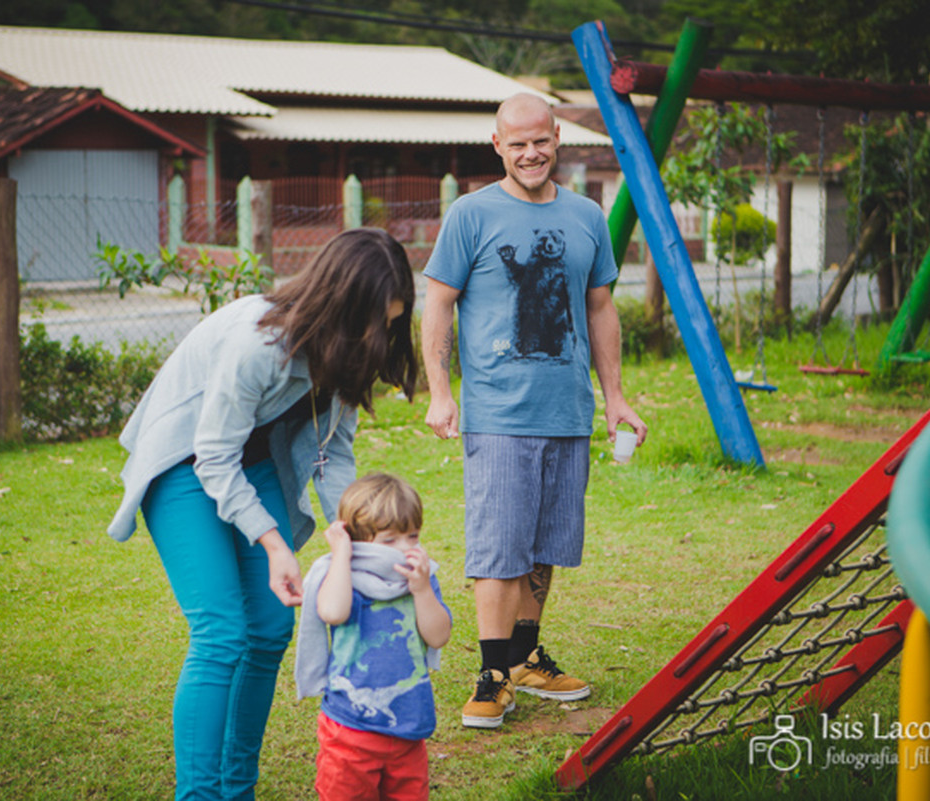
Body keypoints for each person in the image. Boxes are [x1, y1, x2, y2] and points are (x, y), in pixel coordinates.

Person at [107, 228, 418, 800]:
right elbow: (213, 455)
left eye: (394, 323)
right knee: (222, 632)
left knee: (271, 628)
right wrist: (275, 544)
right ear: (343, 302)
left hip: (249, 463)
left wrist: (358, 542)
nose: (385, 336)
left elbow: (334, 453)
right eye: (380, 321)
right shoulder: (258, 342)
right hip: (187, 462)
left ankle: (236, 789)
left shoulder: (349, 349)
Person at [420, 92, 648, 729]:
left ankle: (524, 656)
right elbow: (437, 304)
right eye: (515, 143)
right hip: (498, 411)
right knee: (499, 547)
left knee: (546, 545)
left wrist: (616, 398)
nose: (529, 153)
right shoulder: (471, 215)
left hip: (567, 410)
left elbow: (600, 309)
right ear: (498, 146)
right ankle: (492, 675)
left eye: (539, 141)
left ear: (557, 139)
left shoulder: (586, 217)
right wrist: (442, 390)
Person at [294, 472, 451, 801]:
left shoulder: (420, 579)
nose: (405, 549)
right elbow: (333, 612)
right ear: (359, 541)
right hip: (350, 729)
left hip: (409, 725)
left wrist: (422, 590)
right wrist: (341, 555)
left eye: (413, 536)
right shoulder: (342, 575)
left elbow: (438, 637)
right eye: (390, 540)